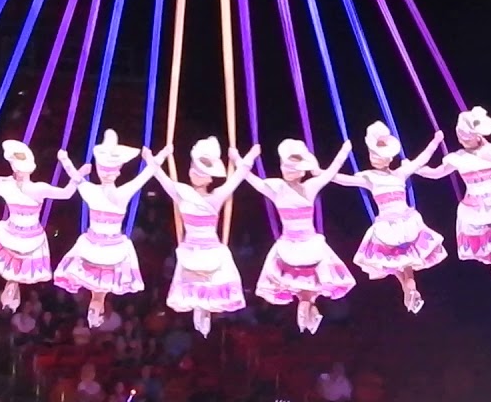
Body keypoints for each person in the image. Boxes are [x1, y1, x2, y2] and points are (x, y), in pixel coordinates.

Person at [53, 130, 172, 328]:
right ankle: (96, 310)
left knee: (97, 280)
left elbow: (145, 175)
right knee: (100, 281)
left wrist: (65, 160)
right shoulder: (99, 191)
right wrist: (158, 156)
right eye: (104, 169)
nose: (107, 173)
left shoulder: (100, 191)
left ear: (117, 171)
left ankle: (94, 309)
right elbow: (146, 174)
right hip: (101, 246)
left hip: (102, 246)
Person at [145, 138, 260, 336]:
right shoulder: (182, 193)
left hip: (209, 248)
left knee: (211, 278)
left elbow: (239, 176)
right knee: (197, 280)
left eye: (201, 172)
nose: (195, 174)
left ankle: (205, 309)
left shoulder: (216, 196)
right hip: (192, 248)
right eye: (194, 170)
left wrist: (246, 156)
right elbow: (160, 176)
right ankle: (201, 309)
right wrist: (154, 157)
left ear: (209, 178)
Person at [244, 139, 356, 333]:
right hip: (300, 244)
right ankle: (308, 310)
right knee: (308, 287)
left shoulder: (295, 187)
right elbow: (251, 179)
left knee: (306, 287)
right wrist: (344, 151)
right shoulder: (283, 187)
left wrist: (242, 160)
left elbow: (331, 172)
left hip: (299, 244)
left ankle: (308, 310)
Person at [416, 107, 491, 283]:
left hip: (473, 206)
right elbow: (484, 144)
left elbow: (436, 173)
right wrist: (480, 134)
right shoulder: (490, 152)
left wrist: (416, 169)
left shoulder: (458, 158)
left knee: (483, 233)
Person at [332, 122, 445, 313]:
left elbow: (342, 180)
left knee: (395, 263)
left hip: (389, 227)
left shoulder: (371, 177)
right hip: (406, 223)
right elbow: (421, 159)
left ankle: (408, 289)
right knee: (405, 264)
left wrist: (322, 173)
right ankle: (409, 289)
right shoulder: (397, 174)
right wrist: (435, 141)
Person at [0, 140, 85, 310]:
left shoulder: (34, 188)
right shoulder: (9, 186)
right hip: (15, 235)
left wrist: (74, 171)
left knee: (13, 268)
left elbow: (66, 194)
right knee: (13, 269)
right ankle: (10, 295)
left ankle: (10, 294)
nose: (17, 171)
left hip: (27, 238)